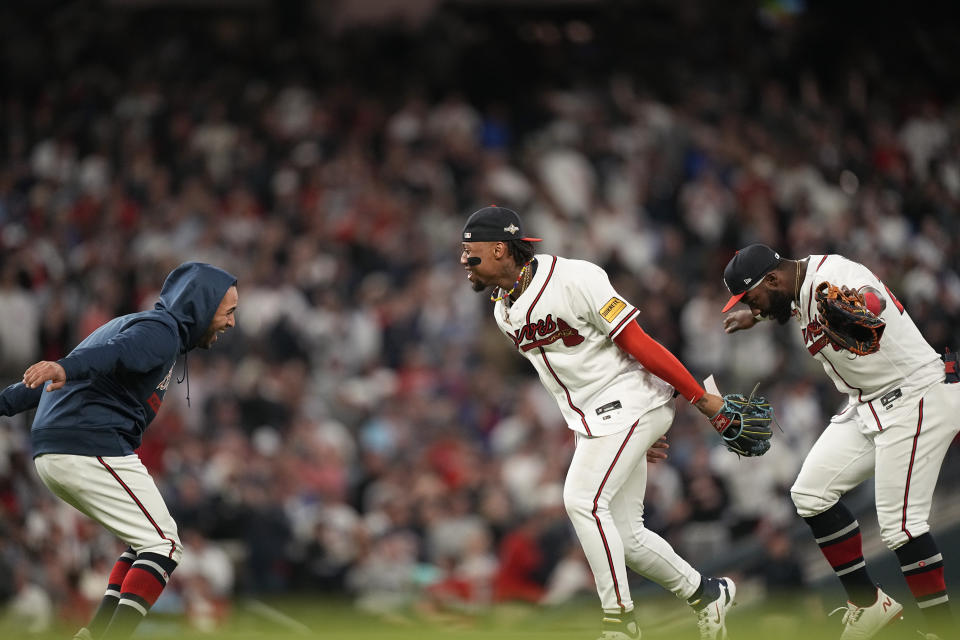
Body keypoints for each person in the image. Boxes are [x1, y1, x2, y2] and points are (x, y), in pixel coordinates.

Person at [459, 206, 742, 640]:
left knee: (581, 499)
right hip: (604, 421)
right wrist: (628, 439)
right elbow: (568, 385)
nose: (464, 260)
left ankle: (620, 623)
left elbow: (639, 343)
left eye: (470, 251)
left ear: (500, 249)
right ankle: (707, 593)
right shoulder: (503, 310)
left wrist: (700, 399)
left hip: (630, 400)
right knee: (626, 538)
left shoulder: (575, 278)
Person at [720, 244, 958, 640]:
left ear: (772, 279)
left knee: (902, 529)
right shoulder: (795, 287)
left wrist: (863, 304)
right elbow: (792, 305)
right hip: (870, 404)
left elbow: (873, 299)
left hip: (914, 396)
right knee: (810, 494)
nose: (748, 302)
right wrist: (756, 315)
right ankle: (868, 604)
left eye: (750, 296)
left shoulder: (836, 278)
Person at [0, 262, 238, 640]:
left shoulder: (142, 325)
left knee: (143, 543)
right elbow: (110, 356)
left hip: (59, 449)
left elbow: (52, 377)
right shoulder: (160, 332)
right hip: (84, 444)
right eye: (228, 311)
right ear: (202, 306)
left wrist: (6, 401)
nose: (231, 323)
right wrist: (63, 367)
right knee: (165, 544)